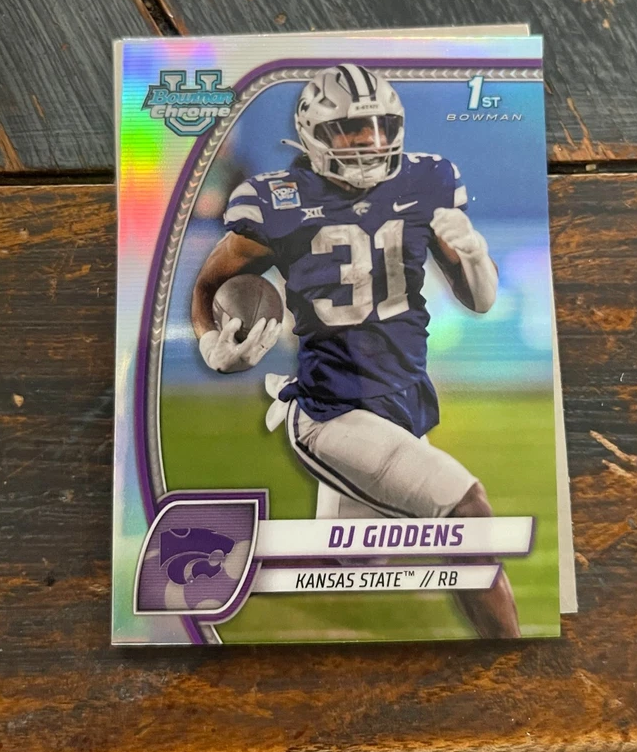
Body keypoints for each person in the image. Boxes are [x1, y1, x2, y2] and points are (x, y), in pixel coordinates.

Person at [191, 63, 520, 638]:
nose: (368, 139)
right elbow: (208, 285)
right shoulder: (279, 200)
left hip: (403, 405)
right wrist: (210, 344)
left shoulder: (427, 181)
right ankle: (515, 671)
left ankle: (217, 562)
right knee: (466, 510)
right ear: (313, 135)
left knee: (355, 562)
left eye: (379, 125)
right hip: (332, 412)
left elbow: (480, 300)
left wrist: (473, 256)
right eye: (348, 128)